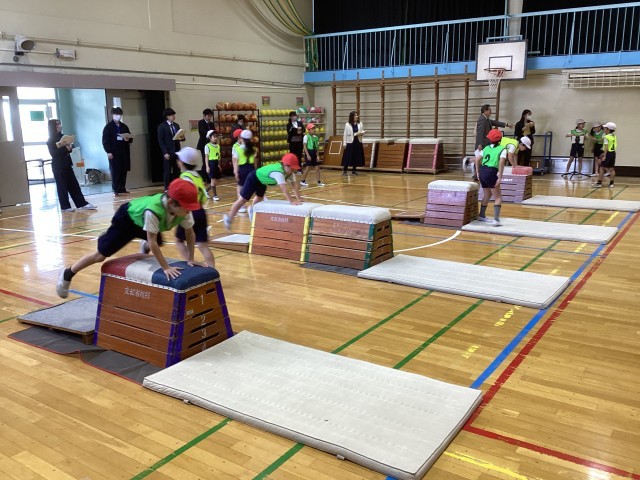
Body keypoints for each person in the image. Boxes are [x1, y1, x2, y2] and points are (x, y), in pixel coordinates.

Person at [56, 178, 201, 298]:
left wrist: (191, 258)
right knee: (100, 256)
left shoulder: (183, 211)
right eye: (187, 207)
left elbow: (190, 233)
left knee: (157, 242)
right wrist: (166, 267)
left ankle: (142, 244)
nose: (189, 211)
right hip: (127, 220)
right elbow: (152, 242)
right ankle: (68, 273)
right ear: (171, 203)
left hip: (144, 223)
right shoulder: (153, 211)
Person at [223, 153, 302, 231]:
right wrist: (291, 201)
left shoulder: (290, 173)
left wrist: (299, 199)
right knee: (243, 200)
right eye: (292, 168)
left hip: (262, 181)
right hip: (253, 178)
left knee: (259, 198)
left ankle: (252, 209)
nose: (293, 170)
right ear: (285, 165)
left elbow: (294, 186)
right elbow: (284, 188)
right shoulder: (278, 173)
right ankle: (229, 217)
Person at [174, 147, 216, 268]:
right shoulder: (198, 176)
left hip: (189, 212)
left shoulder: (185, 177)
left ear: (182, 162)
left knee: (178, 240)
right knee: (203, 245)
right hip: (201, 211)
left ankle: (190, 262)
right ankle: (213, 271)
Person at [46, 119, 97, 212]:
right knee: (62, 187)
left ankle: (82, 203)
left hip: (67, 164)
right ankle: (65, 206)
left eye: (59, 124)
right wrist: (65, 149)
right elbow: (54, 153)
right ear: (52, 126)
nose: (59, 126)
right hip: (58, 166)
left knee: (74, 185)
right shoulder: (50, 140)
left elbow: (69, 148)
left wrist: (69, 147)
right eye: (57, 124)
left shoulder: (63, 136)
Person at [475, 129, 507, 227]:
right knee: (498, 197)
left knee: (487, 194)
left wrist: (477, 172)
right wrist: (500, 177)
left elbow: (477, 159)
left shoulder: (486, 148)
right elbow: (501, 163)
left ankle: (481, 215)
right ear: (500, 139)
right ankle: (496, 220)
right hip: (491, 172)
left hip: (482, 171)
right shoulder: (502, 149)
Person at [102, 107, 133, 197]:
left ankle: (122, 188)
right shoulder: (108, 127)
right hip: (114, 152)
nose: (118, 116)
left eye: (120, 114)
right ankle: (116, 189)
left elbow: (130, 138)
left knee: (124, 169)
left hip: (124, 151)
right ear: (113, 115)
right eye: (116, 114)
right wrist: (108, 151)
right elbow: (105, 141)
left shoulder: (124, 126)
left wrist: (128, 139)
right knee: (115, 171)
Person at [157, 108, 183, 190]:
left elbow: (179, 137)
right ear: (167, 116)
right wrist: (165, 152)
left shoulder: (176, 125)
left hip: (177, 151)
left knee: (177, 170)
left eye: (174, 115)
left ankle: (176, 187)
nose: (174, 116)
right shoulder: (162, 126)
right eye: (172, 115)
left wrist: (182, 137)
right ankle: (167, 188)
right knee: (167, 171)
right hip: (168, 152)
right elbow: (161, 141)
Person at [232, 129, 257, 199]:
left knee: (240, 187)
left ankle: (241, 203)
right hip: (251, 169)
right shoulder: (254, 149)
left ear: (241, 138)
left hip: (242, 170)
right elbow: (255, 162)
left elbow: (235, 162)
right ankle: (261, 200)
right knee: (255, 187)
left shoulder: (237, 149)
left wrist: (236, 172)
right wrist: (255, 170)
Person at [341, 111, 366, 176]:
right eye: (355, 115)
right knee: (347, 157)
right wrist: (344, 143)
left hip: (358, 142)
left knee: (356, 156)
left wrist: (362, 133)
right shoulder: (347, 124)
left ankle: (354, 171)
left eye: (357, 115)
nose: (357, 116)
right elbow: (345, 134)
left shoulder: (360, 124)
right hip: (350, 142)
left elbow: (361, 133)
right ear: (352, 116)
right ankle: (345, 171)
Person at [593, 122, 617, 188]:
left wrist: (605, 155)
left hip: (608, 153)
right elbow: (611, 146)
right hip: (613, 153)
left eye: (605, 128)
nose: (604, 129)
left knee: (602, 168)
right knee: (612, 169)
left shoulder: (606, 137)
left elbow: (606, 147)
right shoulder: (613, 136)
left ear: (608, 129)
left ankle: (599, 183)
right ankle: (611, 184)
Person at [197, 108, 215, 185]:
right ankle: (203, 178)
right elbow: (202, 131)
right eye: (208, 116)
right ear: (204, 115)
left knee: (210, 162)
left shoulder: (211, 124)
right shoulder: (201, 122)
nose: (209, 118)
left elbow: (214, 131)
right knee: (205, 162)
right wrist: (210, 133)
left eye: (210, 116)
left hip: (210, 145)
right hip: (203, 144)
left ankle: (209, 177)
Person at [204, 130, 221, 201]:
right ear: (210, 138)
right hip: (211, 163)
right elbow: (206, 157)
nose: (216, 138)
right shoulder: (207, 146)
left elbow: (219, 156)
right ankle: (215, 195)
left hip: (216, 163)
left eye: (216, 136)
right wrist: (207, 166)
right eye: (214, 136)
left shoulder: (218, 146)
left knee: (217, 180)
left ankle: (205, 190)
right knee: (213, 180)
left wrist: (219, 165)